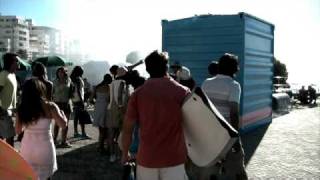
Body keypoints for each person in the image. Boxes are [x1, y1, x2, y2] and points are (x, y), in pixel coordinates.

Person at [121, 50, 190, 180]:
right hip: (174, 159)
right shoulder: (183, 92)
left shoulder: (138, 94)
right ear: (166, 67)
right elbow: (193, 125)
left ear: (147, 69)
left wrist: (125, 153)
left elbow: (127, 129)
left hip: (147, 158)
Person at [202, 53, 247, 180]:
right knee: (237, 167)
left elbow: (204, 109)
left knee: (212, 169)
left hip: (209, 134)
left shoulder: (206, 83)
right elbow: (233, 113)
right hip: (226, 135)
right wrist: (236, 138)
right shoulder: (234, 85)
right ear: (234, 68)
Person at [15, 78, 67, 180]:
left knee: (28, 177)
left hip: (28, 148)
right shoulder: (50, 106)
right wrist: (63, 115)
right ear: (41, 89)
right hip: (45, 148)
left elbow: (18, 131)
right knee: (47, 177)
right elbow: (63, 125)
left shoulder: (22, 108)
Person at [108, 66, 130, 162]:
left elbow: (109, 97)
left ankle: (112, 154)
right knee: (121, 133)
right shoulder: (123, 83)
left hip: (110, 108)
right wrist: (122, 108)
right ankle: (120, 154)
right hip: (119, 108)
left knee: (112, 133)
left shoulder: (112, 82)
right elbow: (120, 97)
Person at [0, 53, 19, 147]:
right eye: (16, 60)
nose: (18, 62)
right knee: (10, 138)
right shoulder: (3, 75)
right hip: (3, 112)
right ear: (10, 62)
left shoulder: (13, 75)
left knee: (5, 138)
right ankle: (11, 161)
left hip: (9, 112)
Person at [52, 67, 73, 148]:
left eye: (62, 72)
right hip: (57, 103)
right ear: (57, 73)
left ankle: (64, 141)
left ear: (65, 73)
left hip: (66, 103)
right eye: (59, 72)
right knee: (57, 123)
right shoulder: (54, 81)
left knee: (66, 123)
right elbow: (52, 93)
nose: (60, 73)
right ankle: (54, 140)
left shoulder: (69, 80)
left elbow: (71, 90)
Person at [92, 74, 112, 154]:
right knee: (105, 129)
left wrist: (97, 102)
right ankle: (102, 146)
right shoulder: (109, 87)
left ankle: (100, 145)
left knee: (101, 128)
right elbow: (110, 99)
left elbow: (91, 99)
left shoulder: (97, 87)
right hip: (106, 107)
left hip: (98, 107)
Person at [70, 66, 89, 138]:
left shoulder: (72, 79)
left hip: (74, 100)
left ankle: (76, 132)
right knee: (82, 117)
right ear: (80, 71)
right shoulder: (78, 79)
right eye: (82, 70)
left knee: (76, 117)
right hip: (79, 100)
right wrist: (82, 101)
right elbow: (79, 90)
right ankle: (83, 133)